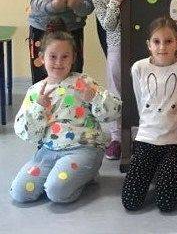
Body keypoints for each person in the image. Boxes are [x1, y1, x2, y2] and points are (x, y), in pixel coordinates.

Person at [10, 31, 122, 204]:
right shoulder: (35, 91)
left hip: (84, 148)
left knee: (56, 192)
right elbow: (26, 132)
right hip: (48, 151)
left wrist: (94, 97)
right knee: (20, 192)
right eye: (53, 56)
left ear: (73, 58)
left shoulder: (84, 82)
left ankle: (87, 174)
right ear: (42, 58)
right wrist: (38, 108)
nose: (58, 62)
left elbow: (115, 111)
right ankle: (63, 174)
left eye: (65, 57)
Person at [121, 17, 177, 212]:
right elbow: (141, 103)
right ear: (149, 44)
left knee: (166, 203)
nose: (162, 47)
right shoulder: (139, 68)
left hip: (176, 142)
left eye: (168, 41)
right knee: (130, 202)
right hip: (147, 139)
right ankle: (158, 169)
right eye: (157, 41)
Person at [90, 0, 132, 160]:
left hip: (136, 41)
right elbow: (107, 24)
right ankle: (116, 137)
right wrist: (115, 1)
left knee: (137, 86)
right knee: (115, 88)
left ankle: (138, 134)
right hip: (116, 44)